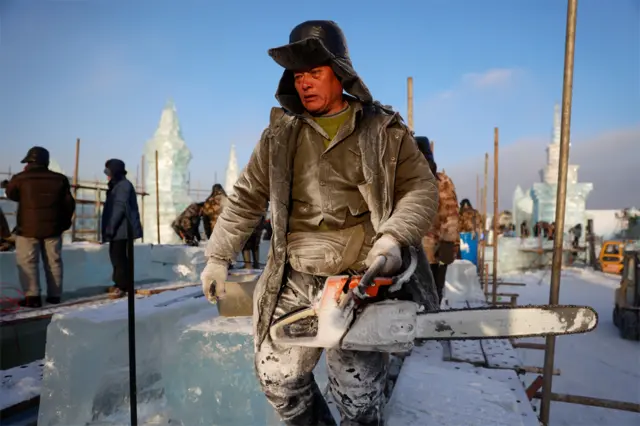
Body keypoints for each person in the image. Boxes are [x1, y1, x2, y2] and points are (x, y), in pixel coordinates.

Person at [200, 20, 439, 425]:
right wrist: (218, 256)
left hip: (361, 276)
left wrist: (394, 237)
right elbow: (245, 199)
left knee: (359, 396)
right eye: (298, 76)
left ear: (339, 73)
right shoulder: (279, 136)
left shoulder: (383, 131)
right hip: (296, 275)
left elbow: (421, 190)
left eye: (315, 73)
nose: (305, 83)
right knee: (278, 377)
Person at [3, 147, 76, 307]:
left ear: (29, 162)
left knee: (28, 262)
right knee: (53, 262)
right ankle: (54, 296)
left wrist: (10, 185)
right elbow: (69, 204)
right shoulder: (60, 179)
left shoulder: (20, 178)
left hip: (28, 229)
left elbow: (11, 194)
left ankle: (32, 298)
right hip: (53, 229)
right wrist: (63, 224)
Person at [416, 136, 459, 305]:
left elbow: (450, 214)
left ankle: (430, 324)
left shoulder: (441, 182)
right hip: (412, 250)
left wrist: (448, 243)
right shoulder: (402, 179)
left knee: (431, 292)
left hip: (432, 250)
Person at [101, 159, 143, 299]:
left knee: (119, 258)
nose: (107, 176)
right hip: (120, 228)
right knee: (116, 256)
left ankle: (122, 286)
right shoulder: (118, 185)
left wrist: (110, 228)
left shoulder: (123, 186)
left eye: (109, 173)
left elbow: (119, 208)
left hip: (123, 229)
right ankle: (120, 283)